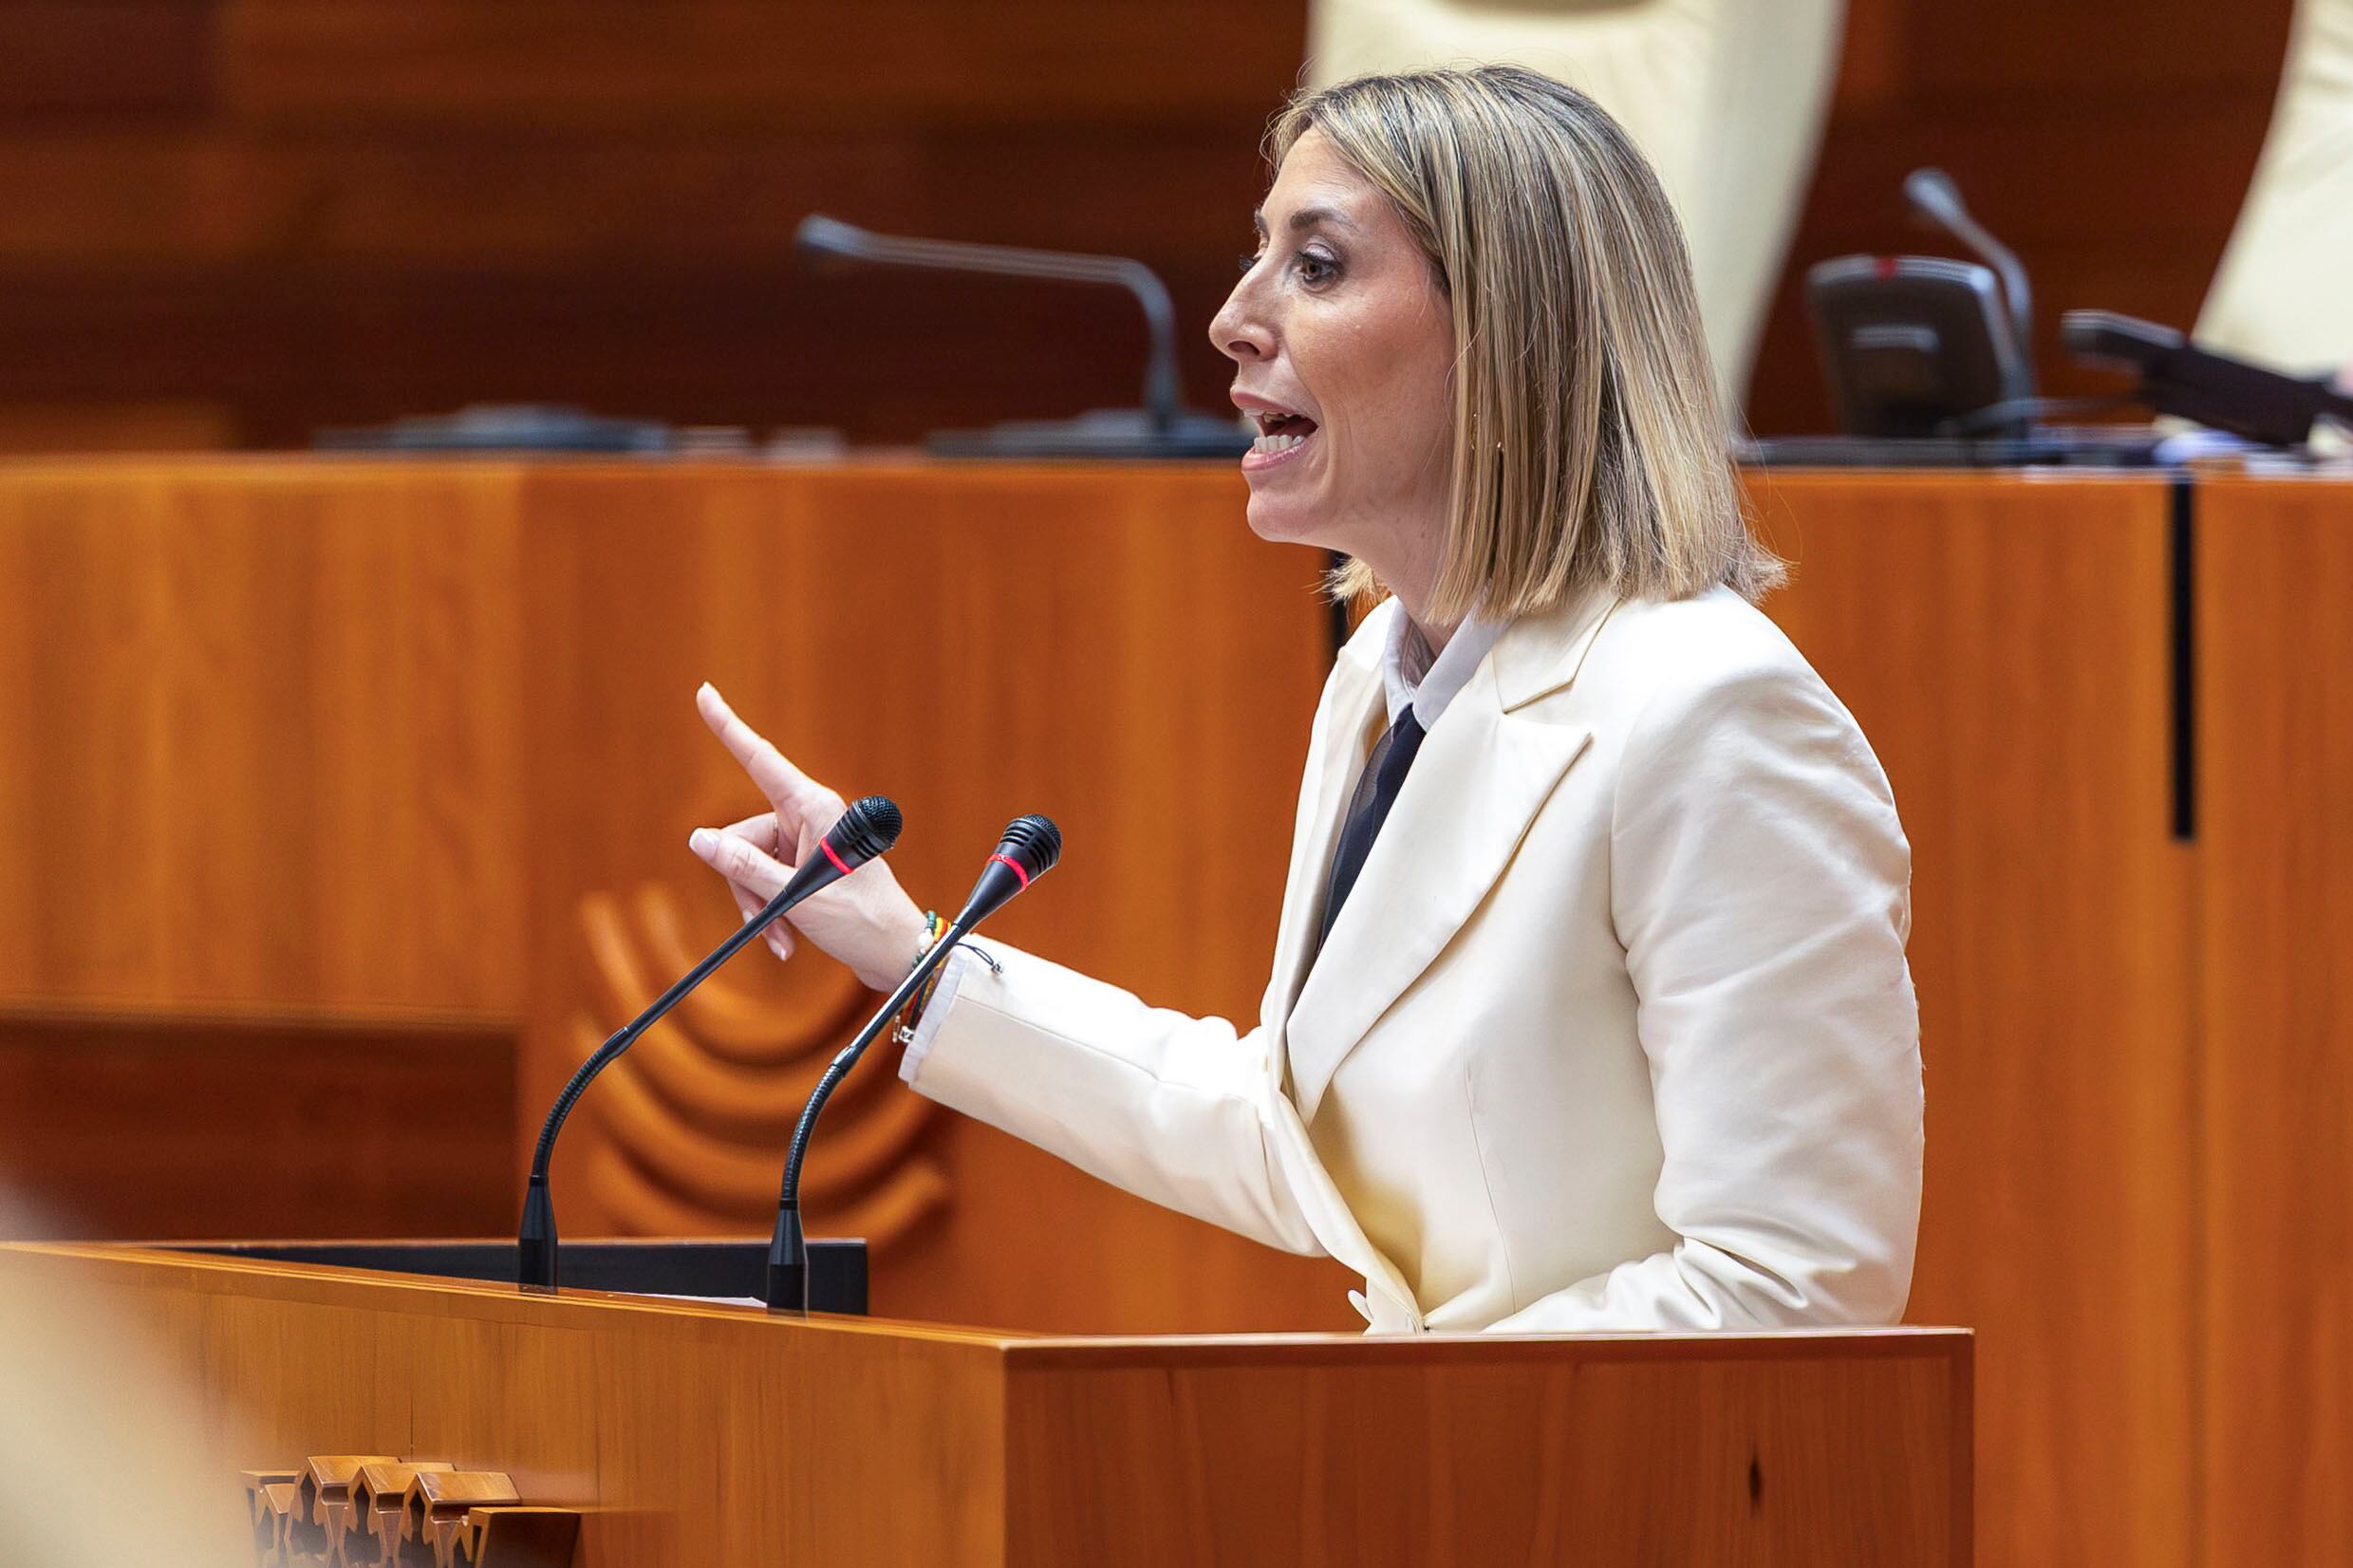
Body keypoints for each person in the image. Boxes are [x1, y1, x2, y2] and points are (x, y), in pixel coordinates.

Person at [688, 65, 1922, 1335]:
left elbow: (1798, 1289)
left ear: (1508, 334)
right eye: (1258, 256)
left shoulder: (1713, 718)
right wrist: (910, 955)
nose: (1233, 318)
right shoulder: (1380, 682)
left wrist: (1389, 1439)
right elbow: (1299, 1138)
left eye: (1318, 266)